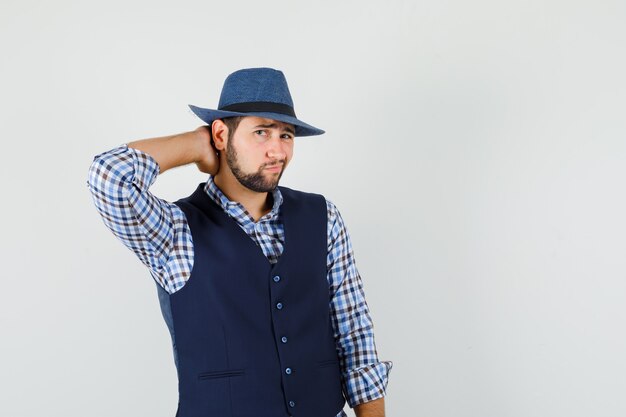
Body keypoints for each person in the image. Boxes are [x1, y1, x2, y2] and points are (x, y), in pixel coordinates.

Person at [87, 67, 392, 417]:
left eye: (287, 135)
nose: (277, 151)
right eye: (261, 132)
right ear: (220, 134)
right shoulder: (175, 232)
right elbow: (109, 179)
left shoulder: (324, 217)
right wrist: (195, 145)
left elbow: (356, 338)